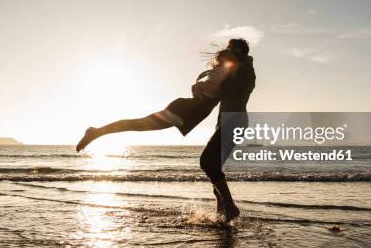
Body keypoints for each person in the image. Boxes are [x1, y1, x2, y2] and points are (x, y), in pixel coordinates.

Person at [75, 49, 236, 152]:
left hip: (186, 109)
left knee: (138, 124)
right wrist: (202, 96)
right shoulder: (222, 71)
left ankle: (97, 132)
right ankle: (95, 132)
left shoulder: (224, 71)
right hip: (185, 110)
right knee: (138, 124)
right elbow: (197, 86)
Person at [201, 38, 255, 222]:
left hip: (235, 121)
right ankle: (221, 214)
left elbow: (229, 88)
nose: (226, 51)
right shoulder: (233, 69)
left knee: (207, 162)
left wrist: (212, 83)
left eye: (231, 49)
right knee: (214, 168)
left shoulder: (246, 70)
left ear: (240, 52)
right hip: (226, 121)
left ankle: (230, 208)